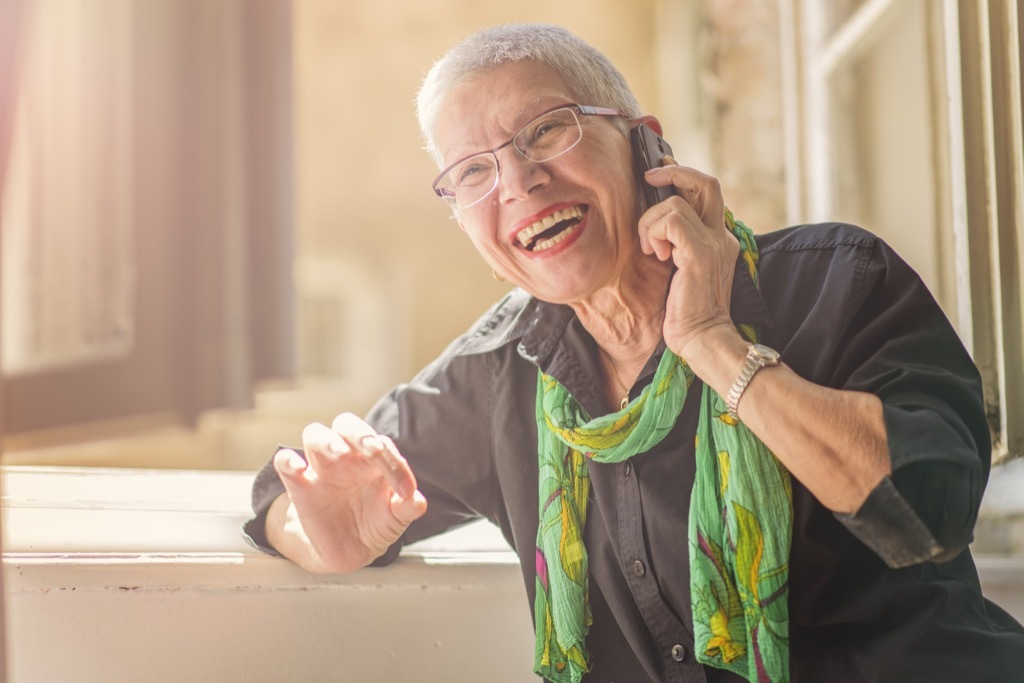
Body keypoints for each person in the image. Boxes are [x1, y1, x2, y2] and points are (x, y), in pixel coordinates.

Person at [243, 23, 1024, 682]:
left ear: (644, 143)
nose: (519, 179)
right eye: (473, 171)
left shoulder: (835, 281)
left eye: (545, 129)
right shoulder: (497, 372)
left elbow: (926, 511)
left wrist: (714, 344)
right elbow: (284, 497)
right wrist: (323, 535)